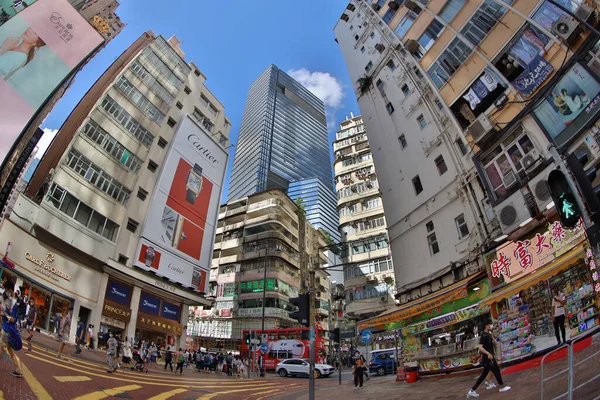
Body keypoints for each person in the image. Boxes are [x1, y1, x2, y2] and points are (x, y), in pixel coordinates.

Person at [467, 319, 511, 398]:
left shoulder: (488, 334)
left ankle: (472, 390)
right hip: (488, 358)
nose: (491, 326)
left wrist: (494, 343)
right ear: (486, 326)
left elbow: (491, 345)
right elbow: (480, 347)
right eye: (490, 324)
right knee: (496, 370)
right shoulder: (484, 335)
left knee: (484, 375)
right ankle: (501, 386)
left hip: (489, 357)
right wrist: (488, 354)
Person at [0, 280, 24, 378]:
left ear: (10, 290)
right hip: (9, 329)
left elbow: (12, 318)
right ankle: (18, 369)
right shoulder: (11, 300)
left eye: (6, 289)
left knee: (1, 346)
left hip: (7, 329)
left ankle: (18, 369)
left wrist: (5, 313)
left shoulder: (11, 301)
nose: (4, 290)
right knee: (9, 349)